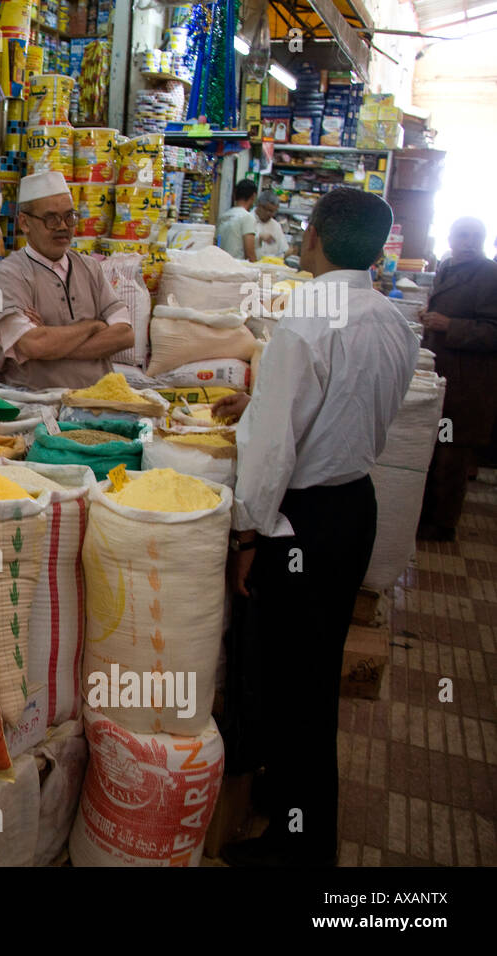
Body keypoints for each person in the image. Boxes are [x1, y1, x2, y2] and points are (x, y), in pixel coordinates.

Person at [213, 188, 418, 867]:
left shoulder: (306, 320)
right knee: (313, 674)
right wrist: (264, 400)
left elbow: (272, 455)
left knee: (290, 685)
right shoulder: (390, 319)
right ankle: (290, 802)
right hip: (353, 506)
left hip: (300, 521)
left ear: (313, 240)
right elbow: (352, 407)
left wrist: (247, 536)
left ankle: (299, 846)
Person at [0, 171, 134, 389]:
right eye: (51, 219)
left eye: (69, 217)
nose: (63, 226)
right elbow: (33, 345)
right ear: (25, 223)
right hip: (34, 403)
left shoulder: (90, 268)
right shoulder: (8, 275)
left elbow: (125, 335)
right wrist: (93, 326)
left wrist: (53, 342)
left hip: (96, 401)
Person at [416, 217, 497, 541]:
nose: (469, 241)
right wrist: (430, 316)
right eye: (462, 235)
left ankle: (442, 524)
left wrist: (451, 325)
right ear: (449, 237)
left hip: (468, 384)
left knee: (453, 454)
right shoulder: (448, 265)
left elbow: (493, 330)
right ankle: (429, 515)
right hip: (445, 374)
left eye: (476, 236)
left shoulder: (489, 274)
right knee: (437, 449)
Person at [217, 180, 259, 261]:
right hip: (237, 267)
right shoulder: (247, 217)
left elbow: (216, 244)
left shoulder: (223, 217)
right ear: (253, 196)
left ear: (235, 195)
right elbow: (249, 253)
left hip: (220, 264)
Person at [253, 190, 287, 259]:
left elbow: (283, 250)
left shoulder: (276, 226)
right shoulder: (247, 219)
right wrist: (259, 238)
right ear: (259, 205)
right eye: (268, 210)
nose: (270, 214)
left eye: (273, 211)